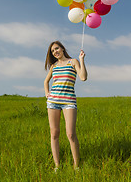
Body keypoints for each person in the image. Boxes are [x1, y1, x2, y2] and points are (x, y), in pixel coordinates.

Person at [43, 41, 87, 171]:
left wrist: (81, 59)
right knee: (54, 133)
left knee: (70, 134)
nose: (55, 52)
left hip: (69, 102)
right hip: (53, 102)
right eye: (52, 51)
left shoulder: (73, 62)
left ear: (62, 48)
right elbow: (46, 81)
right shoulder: (54, 66)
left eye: (56, 48)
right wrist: (47, 94)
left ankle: (76, 165)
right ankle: (57, 165)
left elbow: (83, 77)